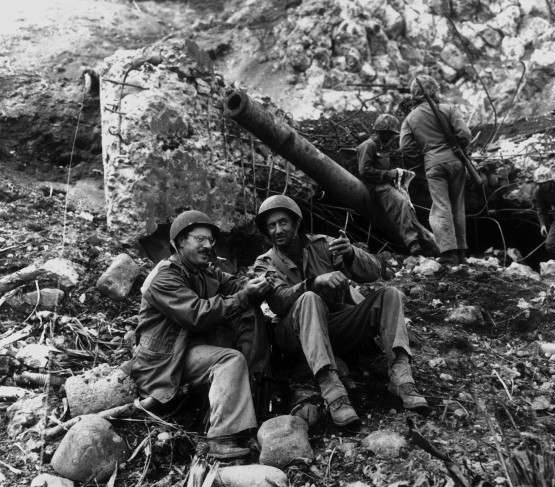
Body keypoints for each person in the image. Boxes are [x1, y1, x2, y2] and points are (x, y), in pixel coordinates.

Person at [252, 195, 429, 428]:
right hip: (295, 337)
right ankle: (333, 392)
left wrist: (351, 254)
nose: (277, 230)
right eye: (271, 226)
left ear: (296, 223)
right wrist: (313, 283)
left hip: (337, 326)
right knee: (309, 298)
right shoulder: (264, 263)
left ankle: (401, 376)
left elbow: (374, 271)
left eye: (283, 222)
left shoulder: (324, 244)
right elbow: (279, 302)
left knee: (390, 295)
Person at [129, 210, 272, 459]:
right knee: (230, 359)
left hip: (188, 350)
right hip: (164, 360)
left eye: (210, 240)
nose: (207, 246)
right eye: (200, 239)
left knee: (250, 316)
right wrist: (244, 296)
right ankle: (221, 437)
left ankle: (249, 412)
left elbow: (233, 284)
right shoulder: (164, 276)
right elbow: (196, 315)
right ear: (180, 242)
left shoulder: (204, 271)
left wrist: (256, 281)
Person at [399, 75, 472, 265]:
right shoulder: (448, 108)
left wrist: (423, 154)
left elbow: (405, 147)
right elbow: (465, 134)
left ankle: (448, 252)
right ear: (435, 90)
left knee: (441, 207)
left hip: (433, 163)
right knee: (458, 206)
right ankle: (462, 251)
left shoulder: (410, 118)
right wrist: (457, 146)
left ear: (415, 94)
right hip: (456, 162)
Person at [357, 113, 437, 256]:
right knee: (400, 202)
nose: (391, 137)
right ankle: (412, 243)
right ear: (381, 132)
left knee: (408, 206)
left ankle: (427, 241)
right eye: (389, 134)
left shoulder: (382, 147)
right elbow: (364, 171)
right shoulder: (368, 146)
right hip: (374, 187)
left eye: (392, 135)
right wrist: (389, 174)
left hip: (385, 184)